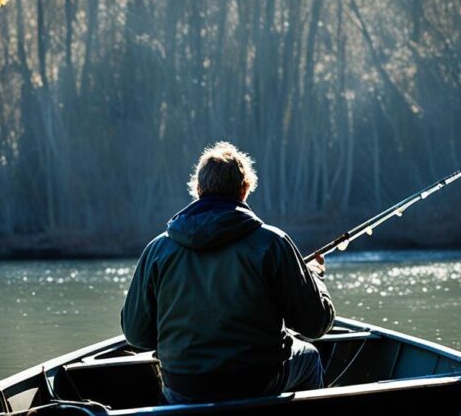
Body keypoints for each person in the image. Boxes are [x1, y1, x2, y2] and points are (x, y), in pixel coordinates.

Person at [121, 141, 335, 405]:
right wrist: (315, 278)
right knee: (310, 356)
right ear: (244, 190)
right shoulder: (272, 243)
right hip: (258, 381)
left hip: (184, 385)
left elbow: (136, 335)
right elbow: (315, 325)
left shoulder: (157, 249)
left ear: (198, 190)